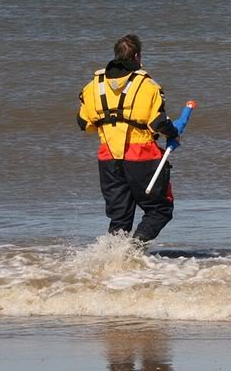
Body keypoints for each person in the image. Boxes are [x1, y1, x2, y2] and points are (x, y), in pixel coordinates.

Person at [77, 34, 181, 243]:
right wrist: (173, 133)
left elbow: (84, 124)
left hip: (108, 159)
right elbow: (158, 123)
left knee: (119, 217)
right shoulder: (148, 85)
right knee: (160, 210)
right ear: (137, 57)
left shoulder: (92, 86)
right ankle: (133, 249)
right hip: (142, 156)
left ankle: (115, 260)